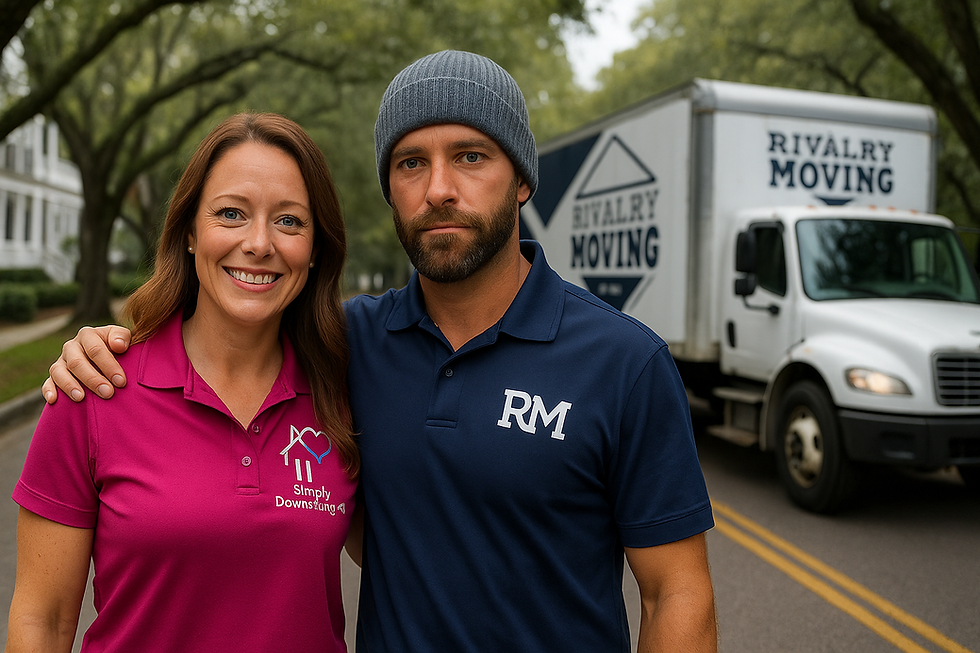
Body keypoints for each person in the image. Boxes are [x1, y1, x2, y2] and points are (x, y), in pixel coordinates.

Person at [43, 51, 717, 652]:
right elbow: (228, 328)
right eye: (411, 163)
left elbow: (676, 596)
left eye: (472, 156)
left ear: (522, 181)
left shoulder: (625, 361)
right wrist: (100, 345)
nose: (439, 188)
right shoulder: (345, 344)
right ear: (390, 188)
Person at [9, 113, 358, 653]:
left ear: (315, 251)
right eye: (231, 214)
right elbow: (42, 622)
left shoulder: (346, 395)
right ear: (190, 233)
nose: (259, 243)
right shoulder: (96, 389)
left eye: (290, 221)